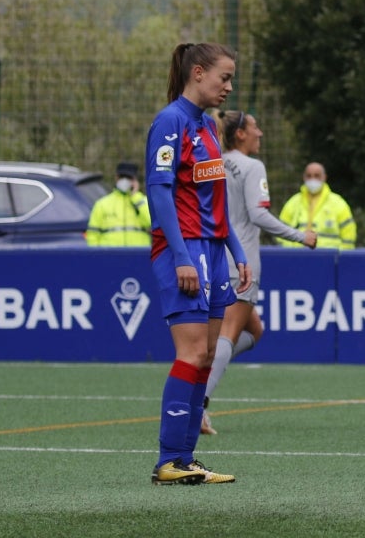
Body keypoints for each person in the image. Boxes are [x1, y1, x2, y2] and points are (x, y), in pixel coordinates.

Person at [145, 42, 251, 485]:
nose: (229, 86)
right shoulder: (170, 121)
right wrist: (183, 258)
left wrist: (237, 251)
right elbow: (159, 192)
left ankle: (186, 460)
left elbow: (217, 199)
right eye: (224, 77)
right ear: (199, 73)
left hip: (210, 250)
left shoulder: (208, 127)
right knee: (191, 352)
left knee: (206, 355)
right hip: (183, 250)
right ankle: (169, 460)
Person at [199, 109, 318, 435]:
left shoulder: (213, 161)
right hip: (242, 262)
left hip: (212, 255)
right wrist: (300, 236)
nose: (260, 133)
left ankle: (201, 371)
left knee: (254, 330)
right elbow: (258, 214)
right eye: (255, 127)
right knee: (228, 333)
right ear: (240, 134)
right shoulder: (253, 167)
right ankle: (199, 402)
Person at [277, 162, 356, 249]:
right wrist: (290, 252)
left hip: (328, 258)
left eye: (316, 175)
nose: (312, 179)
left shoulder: (338, 204)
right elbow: (281, 232)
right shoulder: (293, 203)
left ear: (324, 177)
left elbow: (349, 236)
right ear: (304, 177)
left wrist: (340, 258)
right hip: (298, 257)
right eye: (309, 176)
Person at [85, 162, 151, 246]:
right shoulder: (102, 204)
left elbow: (151, 223)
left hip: (137, 254)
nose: (125, 180)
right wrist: (97, 256)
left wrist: (135, 197)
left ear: (135, 180)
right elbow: (92, 234)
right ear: (116, 178)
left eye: (129, 178)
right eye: (122, 177)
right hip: (110, 255)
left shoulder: (143, 202)